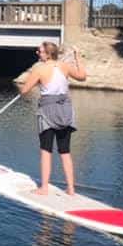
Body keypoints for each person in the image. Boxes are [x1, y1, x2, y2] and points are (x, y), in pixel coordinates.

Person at [19, 42, 86, 195]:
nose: (38, 53)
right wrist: (78, 57)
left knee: (46, 150)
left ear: (48, 54)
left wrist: (36, 81)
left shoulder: (39, 69)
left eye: (40, 51)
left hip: (47, 111)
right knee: (65, 151)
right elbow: (82, 77)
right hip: (65, 110)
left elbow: (24, 90)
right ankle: (71, 188)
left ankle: (44, 188)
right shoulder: (65, 67)